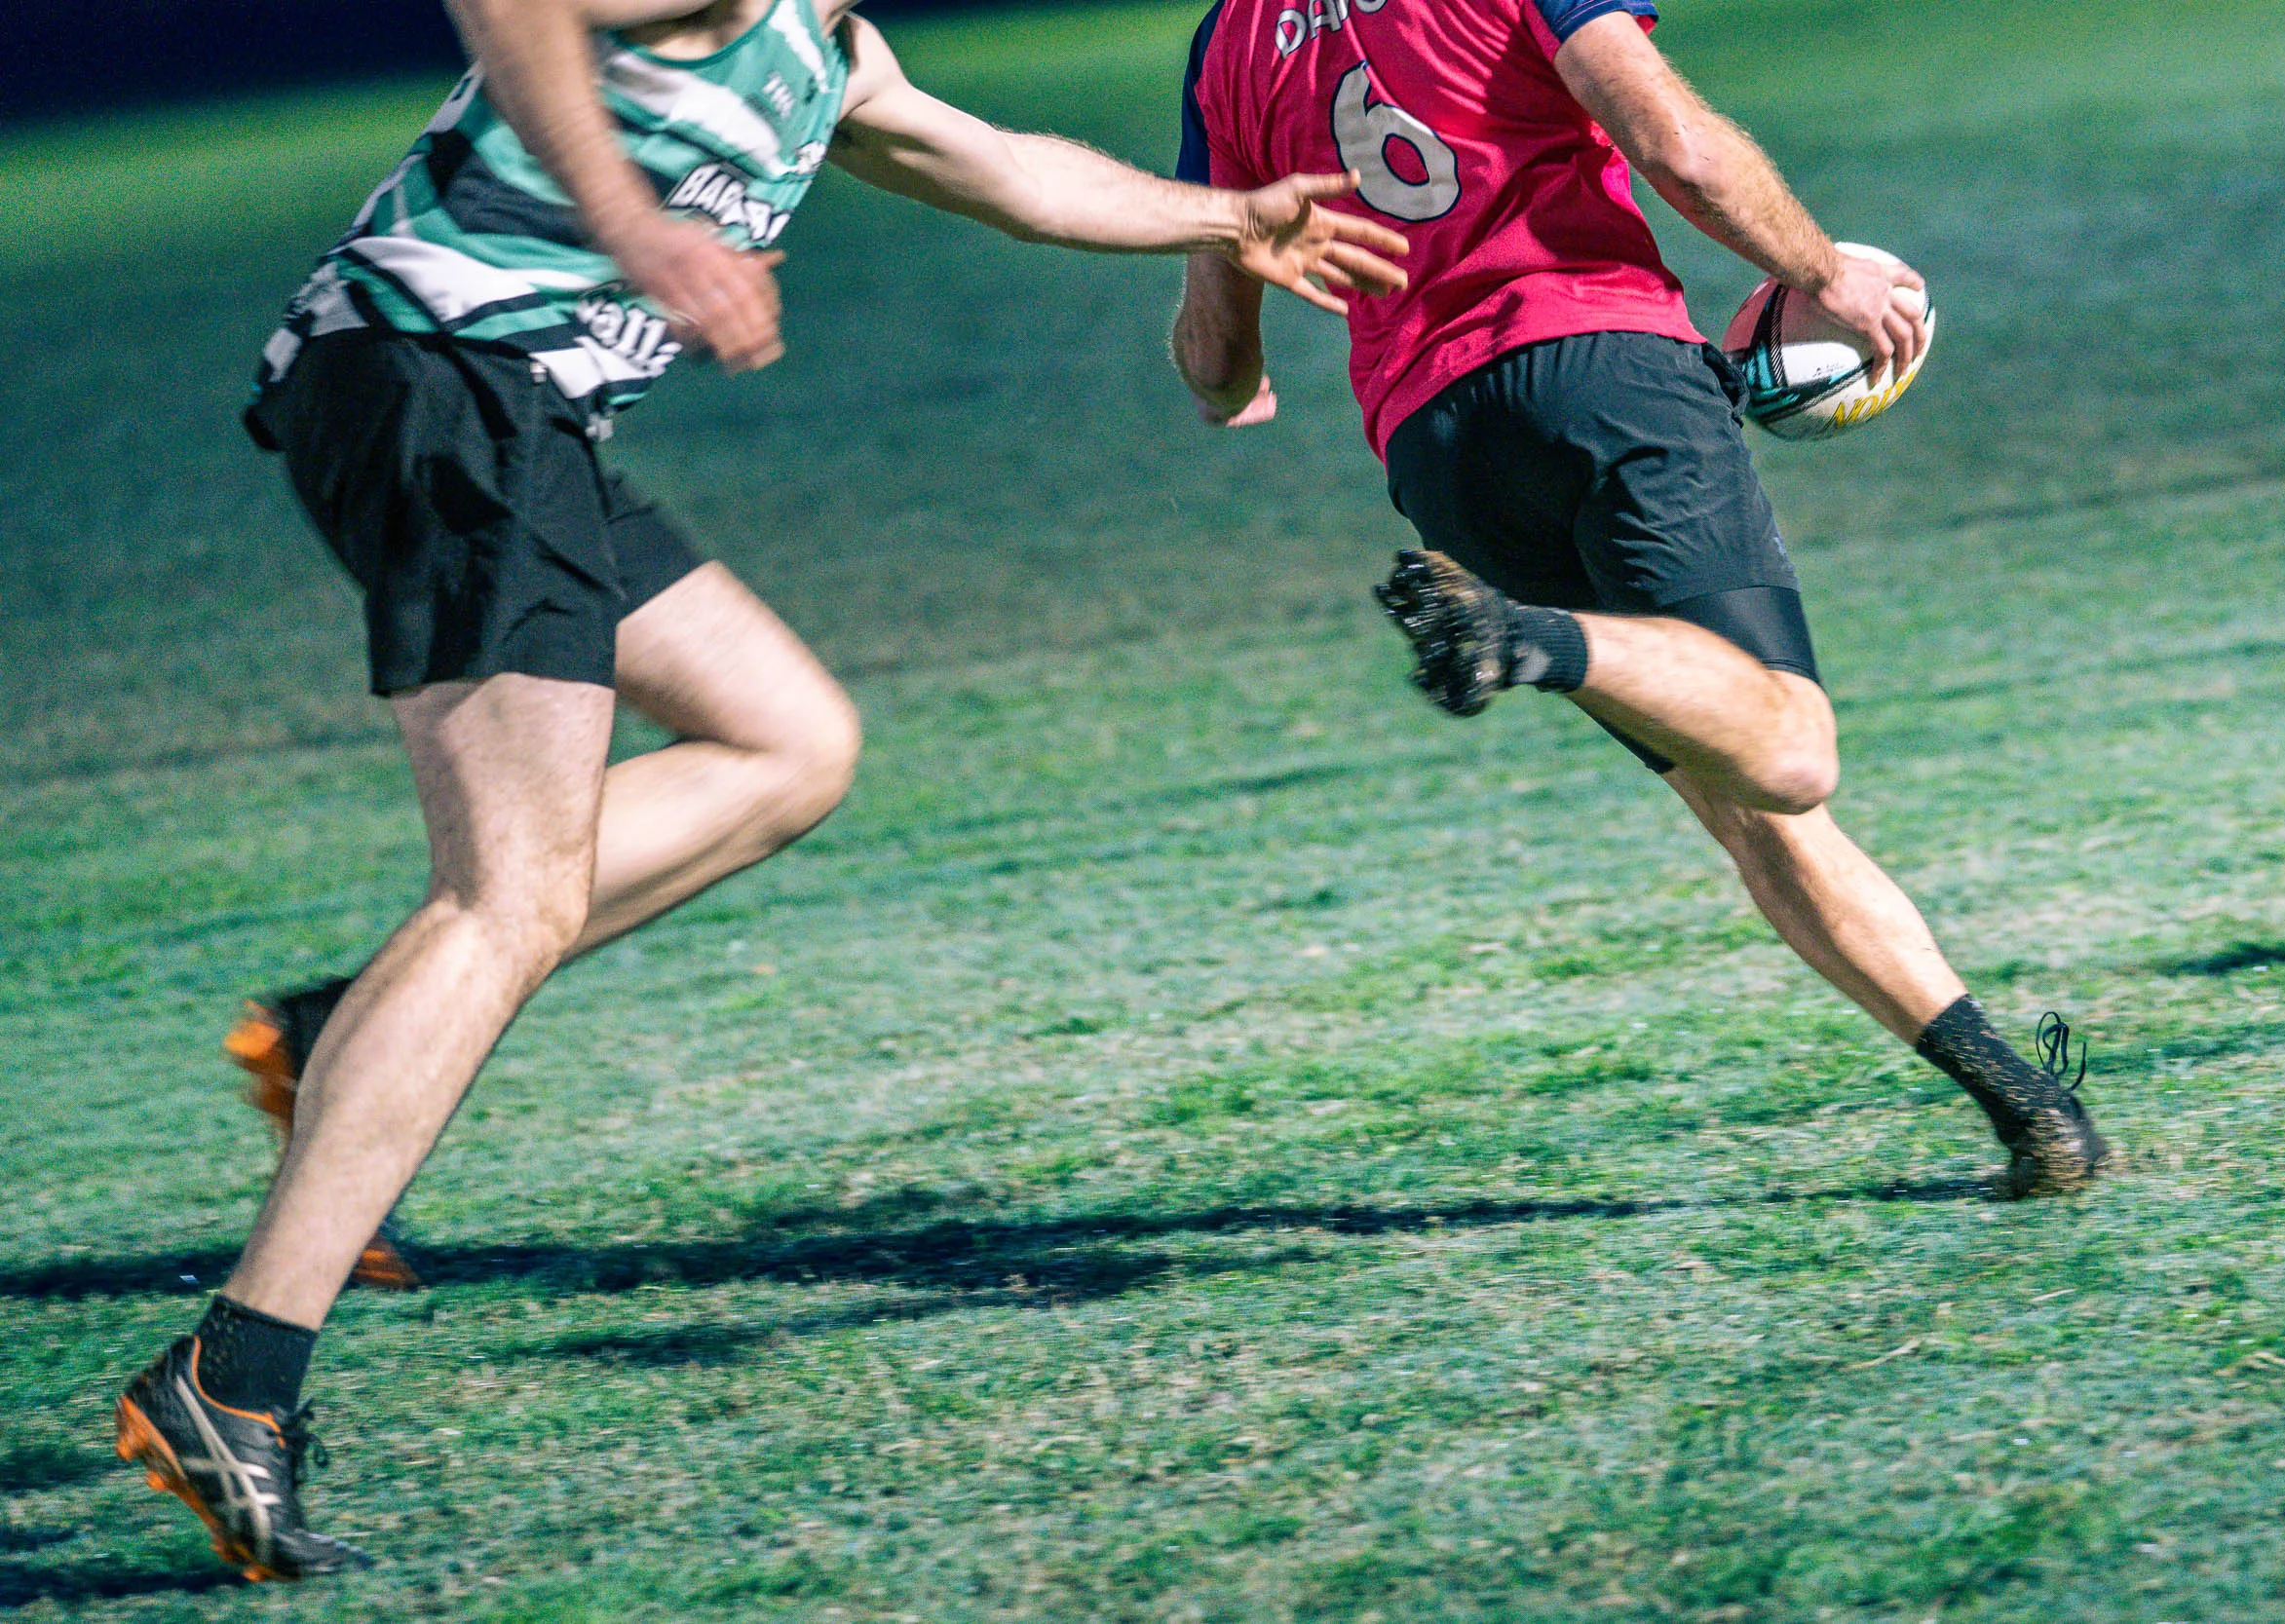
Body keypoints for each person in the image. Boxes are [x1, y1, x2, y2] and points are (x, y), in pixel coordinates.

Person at [113, 0, 1406, 1581]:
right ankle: (231, 1377)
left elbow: (1000, 165)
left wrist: (1223, 214)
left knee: (789, 739)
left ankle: (353, 1024)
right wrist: (634, 223)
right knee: (508, 895)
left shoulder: (834, 50)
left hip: (518, 415)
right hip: (445, 376)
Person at [1168, 0, 2107, 1205]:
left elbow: (1213, 353)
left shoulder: (1227, 40)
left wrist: (1228, 380)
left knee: (1747, 807)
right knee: (1791, 750)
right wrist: (1822, 275)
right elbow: (1679, 149)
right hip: (1605, 369)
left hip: (1435, 449)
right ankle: (1531, 642)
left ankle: (2030, 1108)